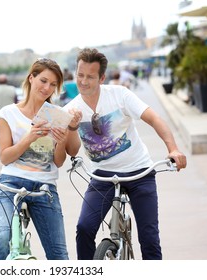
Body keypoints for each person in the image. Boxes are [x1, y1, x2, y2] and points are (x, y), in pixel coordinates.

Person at [64, 48, 187, 260]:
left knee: (149, 238)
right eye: (80, 75)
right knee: (84, 228)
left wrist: (172, 148)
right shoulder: (71, 109)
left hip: (139, 173)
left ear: (102, 78)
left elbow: (154, 119)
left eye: (90, 77)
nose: (83, 81)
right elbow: (71, 150)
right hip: (102, 176)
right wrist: (72, 127)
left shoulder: (120, 95)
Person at [0, 58, 81, 260]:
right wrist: (29, 137)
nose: (47, 88)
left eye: (53, 84)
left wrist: (62, 138)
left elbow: (58, 162)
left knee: (59, 255)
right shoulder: (8, 113)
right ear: (31, 78)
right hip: (10, 183)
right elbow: (5, 158)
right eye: (43, 80)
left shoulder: (58, 115)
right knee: (3, 237)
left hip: (44, 187)